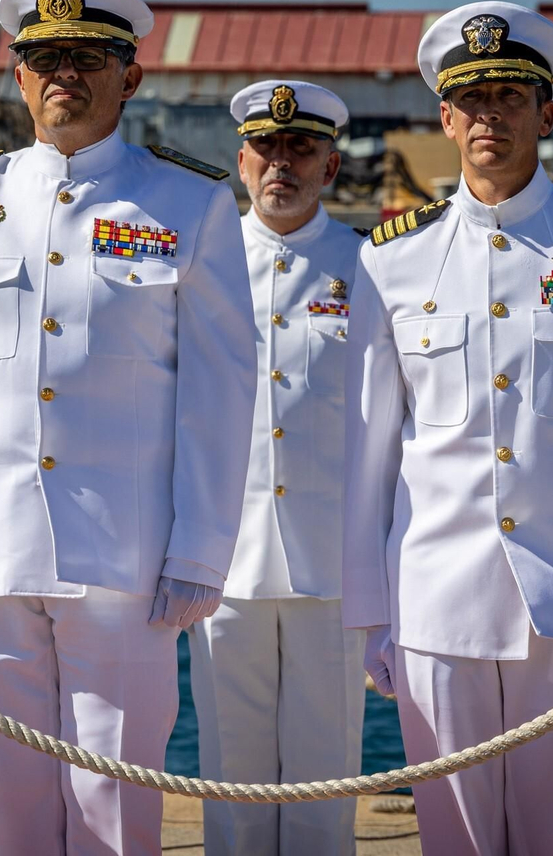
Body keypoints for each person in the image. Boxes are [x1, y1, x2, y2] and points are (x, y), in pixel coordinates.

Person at [0, 0, 256, 856]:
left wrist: (201, 548)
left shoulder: (189, 204)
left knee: (114, 810)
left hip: (124, 560)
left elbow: (221, 391)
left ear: (129, 76)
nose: (65, 76)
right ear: (18, 75)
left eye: (88, 58)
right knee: (11, 809)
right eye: (45, 57)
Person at [342, 1, 553, 855]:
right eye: (473, 99)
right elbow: (369, 453)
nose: (491, 114)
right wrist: (369, 613)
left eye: (510, 95)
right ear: (445, 116)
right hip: (436, 604)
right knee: (452, 841)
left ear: (546, 111)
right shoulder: (391, 256)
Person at [186, 80, 366, 856]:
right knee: (232, 781)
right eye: (267, 148)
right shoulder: (202, 259)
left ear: (330, 165)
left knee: (326, 779)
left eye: (301, 149)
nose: (281, 163)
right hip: (224, 558)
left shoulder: (372, 267)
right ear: (241, 161)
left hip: (332, 562)